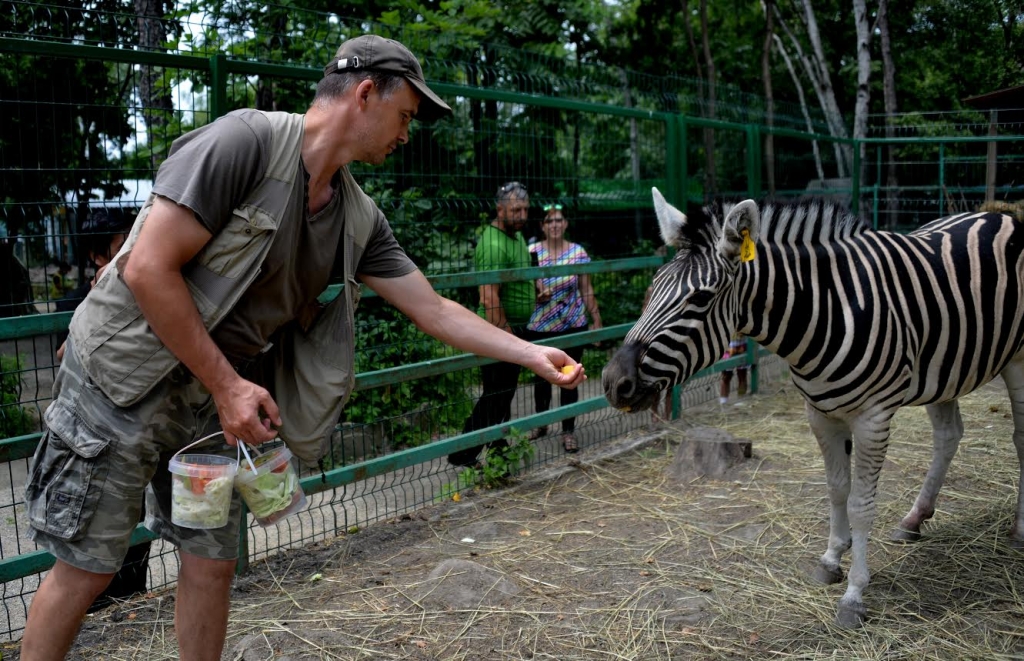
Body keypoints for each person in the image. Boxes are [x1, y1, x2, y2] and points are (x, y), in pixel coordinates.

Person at [20, 35, 584, 661]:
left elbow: (434, 308)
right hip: (122, 384)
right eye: (404, 116)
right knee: (89, 567)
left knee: (210, 561)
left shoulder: (358, 217)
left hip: (208, 412)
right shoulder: (243, 143)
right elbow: (149, 268)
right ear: (366, 93)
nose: (406, 135)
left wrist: (530, 354)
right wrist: (229, 386)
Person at [52, 208, 150, 613]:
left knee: (135, 522)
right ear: (96, 257)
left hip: (136, 430)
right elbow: (66, 356)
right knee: (92, 532)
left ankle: (131, 599)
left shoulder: (146, 286)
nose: (133, 250)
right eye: (120, 245)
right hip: (90, 436)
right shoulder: (76, 301)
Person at [447, 181, 536, 469]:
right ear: (500, 209)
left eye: (525, 210)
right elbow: (489, 298)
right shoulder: (493, 243)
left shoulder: (517, 236)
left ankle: (497, 448)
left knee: (503, 394)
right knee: (495, 395)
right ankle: (463, 454)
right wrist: (509, 338)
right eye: (516, 210)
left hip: (513, 330)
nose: (522, 216)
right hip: (497, 331)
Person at [525, 204, 602, 453]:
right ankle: (541, 423)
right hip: (541, 325)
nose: (554, 225)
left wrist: (596, 320)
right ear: (542, 226)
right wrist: (535, 296)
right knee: (541, 377)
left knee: (570, 376)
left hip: (572, 324)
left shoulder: (578, 253)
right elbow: (523, 288)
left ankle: (568, 431)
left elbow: (586, 289)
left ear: (566, 223)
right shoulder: (531, 251)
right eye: (549, 221)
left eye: (558, 220)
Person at [719, 334, 748, 404]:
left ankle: (741, 398)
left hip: (742, 345)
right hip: (728, 346)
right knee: (726, 375)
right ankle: (723, 399)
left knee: (742, 375)